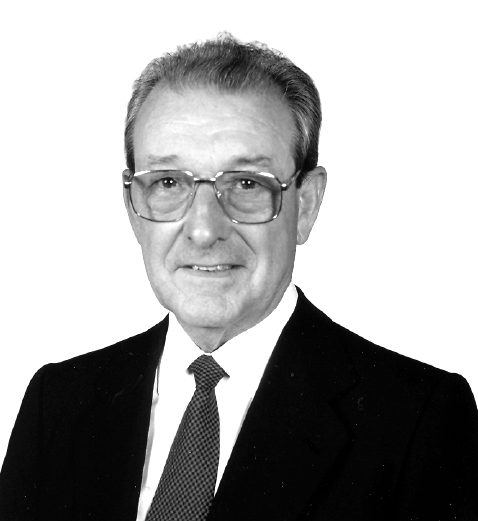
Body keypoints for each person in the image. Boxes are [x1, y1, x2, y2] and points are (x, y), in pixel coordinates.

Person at [1, 34, 477, 521]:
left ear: (306, 205)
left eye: (247, 183)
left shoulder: (417, 421)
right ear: (132, 208)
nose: (204, 230)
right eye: (168, 182)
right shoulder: (57, 403)